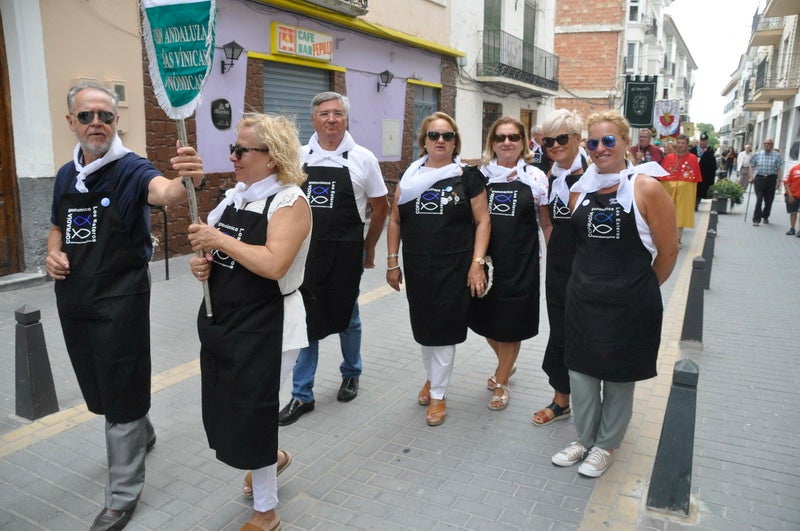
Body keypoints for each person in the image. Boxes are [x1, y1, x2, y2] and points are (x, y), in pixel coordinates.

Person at [45, 81, 205, 531]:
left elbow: (164, 193)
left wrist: (186, 179)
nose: (97, 123)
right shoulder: (64, 174)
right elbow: (58, 225)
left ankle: (122, 495)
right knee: (101, 386)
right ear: (70, 122)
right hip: (74, 297)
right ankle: (142, 430)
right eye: (86, 116)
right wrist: (51, 253)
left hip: (120, 299)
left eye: (106, 116)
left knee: (120, 387)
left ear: (117, 121)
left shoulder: (131, 168)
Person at [188, 113, 312, 531]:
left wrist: (219, 239)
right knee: (230, 407)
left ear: (272, 157)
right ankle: (273, 459)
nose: (234, 156)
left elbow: (275, 264)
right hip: (227, 320)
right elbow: (215, 255)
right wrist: (203, 264)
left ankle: (266, 511)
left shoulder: (289, 202)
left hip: (270, 324)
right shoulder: (235, 197)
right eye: (233, 148)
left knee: (255, 412)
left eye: (242, 150)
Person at [551, 111, 678, 478]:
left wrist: (640, 291)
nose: (600, 148)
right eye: (593, 142)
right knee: (581, 373)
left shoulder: (646, 187)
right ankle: (583, 439)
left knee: (619, 377)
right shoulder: (580, 188)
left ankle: (606, 445)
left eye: (608, 141)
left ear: (625, 143)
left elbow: (669, 252)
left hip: (629, 304)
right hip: (583, 299)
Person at [280, 92, 389, 425]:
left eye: (337, 113)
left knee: (348, 315)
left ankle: (352, 372)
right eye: (324, 113)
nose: (331, 119)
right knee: (305, 320)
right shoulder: (297, 157)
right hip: (305, 252)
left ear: (346, 119)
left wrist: (369, 247)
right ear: (314, 119)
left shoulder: (363, 158)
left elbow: (381, 206)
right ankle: (302, 395)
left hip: (345, 251)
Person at [386, 112, 490, 426]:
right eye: (434, 135)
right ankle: (433, 379)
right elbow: (395, 220)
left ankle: (439, 395)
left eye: (447, 135)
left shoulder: (467, 176)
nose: (440, 141)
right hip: (418, 267)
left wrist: (477, 263)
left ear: (455, 140)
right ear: (424, 141)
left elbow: (484, 221)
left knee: (443, 332)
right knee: (425, 329)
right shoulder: (410, 176)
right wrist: (392, 261)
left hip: (454, 266)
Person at [469, 116, 551, 411]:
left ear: (523, 142)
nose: (507, 143)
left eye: (514, 137)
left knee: (511, 325)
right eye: (501, 137)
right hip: (487, 261)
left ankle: (501, 380)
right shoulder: (478, 176)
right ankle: (507, 363)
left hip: (522, 261)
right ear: (492, 142)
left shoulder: (537, 177)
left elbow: (546, 223)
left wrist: (553, 258)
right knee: (485, 321)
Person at [531, 109, 588, 427]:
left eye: (562, 138)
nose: (554, 145)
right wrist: (553, 247)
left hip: (589, 268)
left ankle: (594, 401)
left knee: (589, 331)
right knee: (560, 330)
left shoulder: (596, 173)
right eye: (549, 140)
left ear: (578, 139)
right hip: (558, 267)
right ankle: (561, 400)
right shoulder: (550, 174)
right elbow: (547, 221)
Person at [659, 134, 702, 244]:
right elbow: (662, 177)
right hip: (669, 190)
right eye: (678, 143)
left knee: (681, 214)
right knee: (666, 213)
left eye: (683, 143)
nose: (680, 145)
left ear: (687, 145)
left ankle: (677, 240)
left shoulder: (693, 159)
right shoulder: (669, 157)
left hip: (685, 192)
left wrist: (682, 185)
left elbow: (694, 179)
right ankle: (666, 238)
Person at [749, 138, 784, 226]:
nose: (766, 145)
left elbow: (779, 168)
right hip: (759, 178)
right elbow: (751, 164)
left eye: (768, 144)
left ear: (772, 145)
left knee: (769, 200)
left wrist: (779, 181)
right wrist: (751, 176)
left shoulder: (777, 155)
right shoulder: (757, 154)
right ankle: (756, 219)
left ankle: (765, 216)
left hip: (771, 179)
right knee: (759, 198)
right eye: (765, 143)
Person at [690, 132, 717, 209]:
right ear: (699, 141)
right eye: (702, 140)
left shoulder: (710, 151)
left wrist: (712, 177)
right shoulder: (693, 150)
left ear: (707, 141)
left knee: (701, 191)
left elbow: (713, 166)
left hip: (704, 176)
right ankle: (691, 203)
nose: (703, 142)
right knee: (692, 190)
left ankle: (696, 205)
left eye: (704, 140)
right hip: (693, 174)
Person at [782, 161, 800, 236]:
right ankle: (792, 228)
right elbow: (786, 182)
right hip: (793, 195)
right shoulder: (794, 169)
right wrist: (790, 195)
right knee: (793, 213)